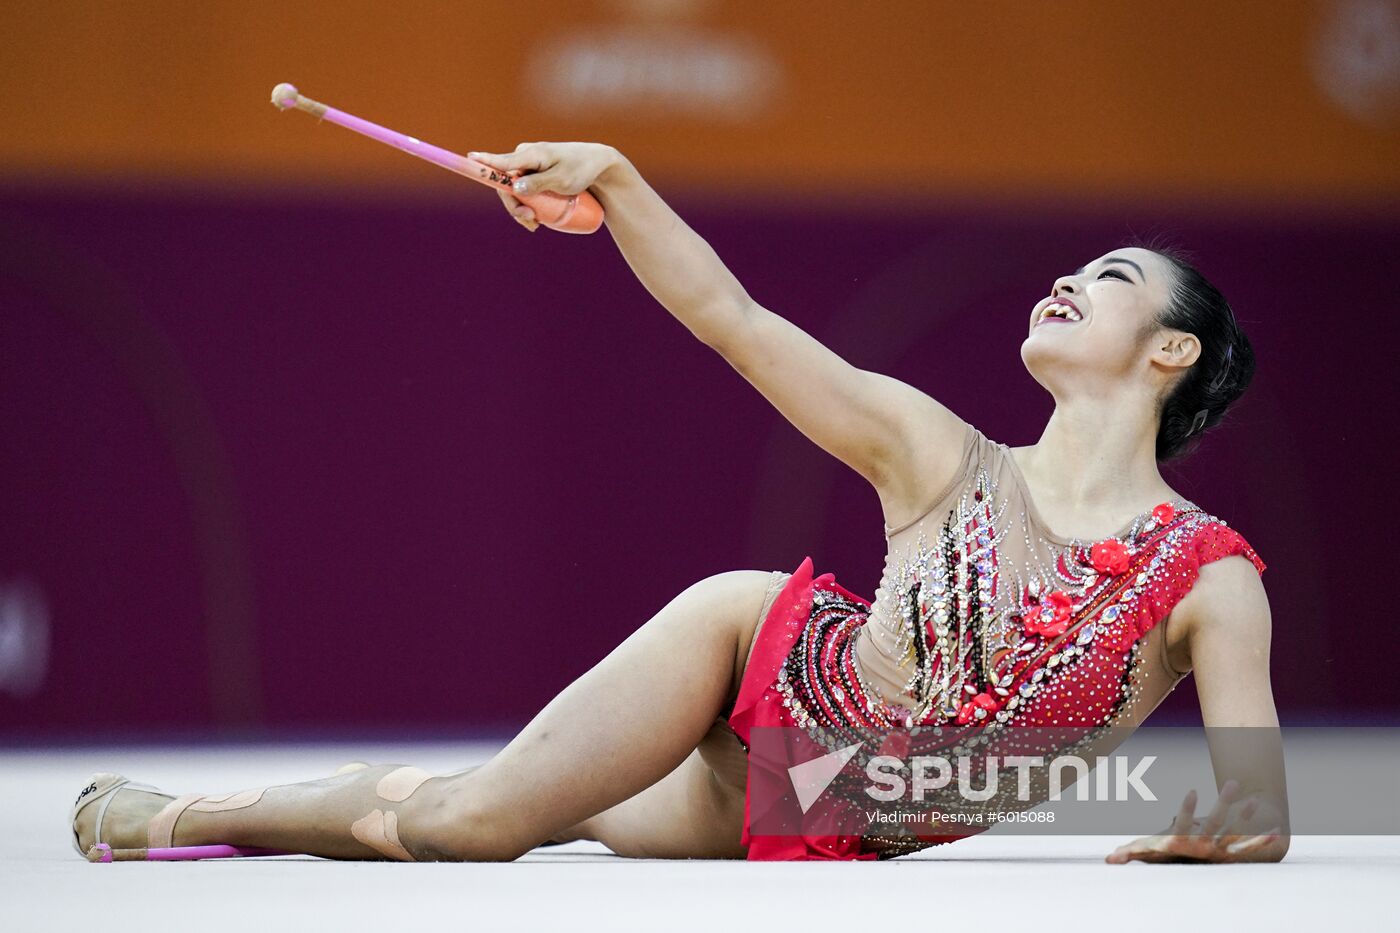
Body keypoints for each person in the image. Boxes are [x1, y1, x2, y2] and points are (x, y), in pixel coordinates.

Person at [71, 143, 1288, 864]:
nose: (1069, 281)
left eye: (1112, 278)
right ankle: (185, 812)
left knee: (483, 822)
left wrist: (1221, 830)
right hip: (757, 655)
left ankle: (275, 803)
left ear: (1170, 353)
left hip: (828, 797)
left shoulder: (1206, 576)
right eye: (1073, 268)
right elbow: (734, 320)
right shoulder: (938, 451)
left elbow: (1260, 800)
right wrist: (616, 179)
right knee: (480, 825)